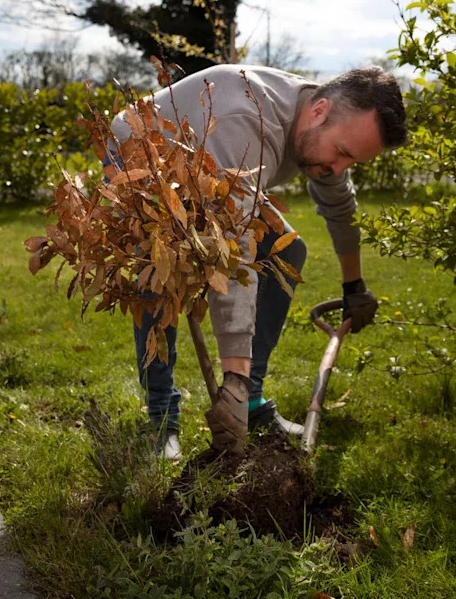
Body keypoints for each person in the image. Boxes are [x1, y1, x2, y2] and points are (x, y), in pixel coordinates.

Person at [110, 64, 407, 459]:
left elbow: (340, 206)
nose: (338, 169)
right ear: (319, 111)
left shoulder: (324, 130)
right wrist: (234, 373)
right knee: (158, 271)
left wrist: (354, 286)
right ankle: (163, 419)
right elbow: (234, 251)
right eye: (342, 154)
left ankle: (249, 403)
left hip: (212, 167)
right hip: (140, 153)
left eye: (350, 163)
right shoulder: (249, 120)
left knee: (288, 249)